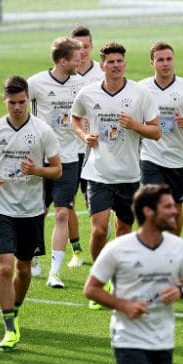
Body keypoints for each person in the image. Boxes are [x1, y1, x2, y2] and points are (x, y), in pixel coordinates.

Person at [84, 184, 183, 364]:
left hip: (163, 337)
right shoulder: (118, 249)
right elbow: (91, 289)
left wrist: (180, 290)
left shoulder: (178, 247)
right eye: (167, 207)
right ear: (148, 211)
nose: (175, 211)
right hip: (129, 338)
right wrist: (124, 305)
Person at [0, 76, 62, 351]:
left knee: (23, 270)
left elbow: (57, 170)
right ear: (4, 100)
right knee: (5, 266)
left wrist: (37, 170)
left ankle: (15, 310)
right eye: (12, 102)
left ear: (28, 100)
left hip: (32, 210)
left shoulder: (42, 130)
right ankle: (9, 327)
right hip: (1, 207)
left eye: (22, 102)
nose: (17, 107)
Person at [70, 41, 160, 272]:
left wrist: (134, 125)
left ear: (125, 64)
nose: (116, 65)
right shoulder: (88, 93)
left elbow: (156, 131)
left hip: (128, 175)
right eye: (111, 62)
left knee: (122, 231)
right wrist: (83, 135)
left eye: (120, 61)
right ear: (102, 66)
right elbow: (75, 118)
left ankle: (116, 276)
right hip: (97, 173)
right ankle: (98, 278)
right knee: (99, 230)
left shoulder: (140, 93)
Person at [28, 36, 85, 288]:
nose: (80, 61)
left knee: (62, 213)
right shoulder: (36, 83)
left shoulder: (80, 84)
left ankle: (55, 272)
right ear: (63, 60)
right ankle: (31, 256)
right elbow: (13, 107)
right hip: (39, 159)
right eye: (76, 58)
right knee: (37, 212)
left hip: (69, 158)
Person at [140, 41, 183, 236]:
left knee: (175, 208)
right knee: (152, 205)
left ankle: (173, 245)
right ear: (152, 63)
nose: (165, 63)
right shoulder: (142, 88)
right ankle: (152, 245)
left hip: (177, 159)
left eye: (169, 59)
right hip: (150, 157)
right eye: (160, 60)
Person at [67, 25, 104, 269]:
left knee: (96, 204)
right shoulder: (63, 77)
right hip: (68, 150)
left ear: (91, 47)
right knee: (66, 202)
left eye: (86, 47)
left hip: (95, 150)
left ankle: (101, 250)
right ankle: (77, 250)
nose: (81, 53)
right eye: (76, 48)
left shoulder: (101, 76)